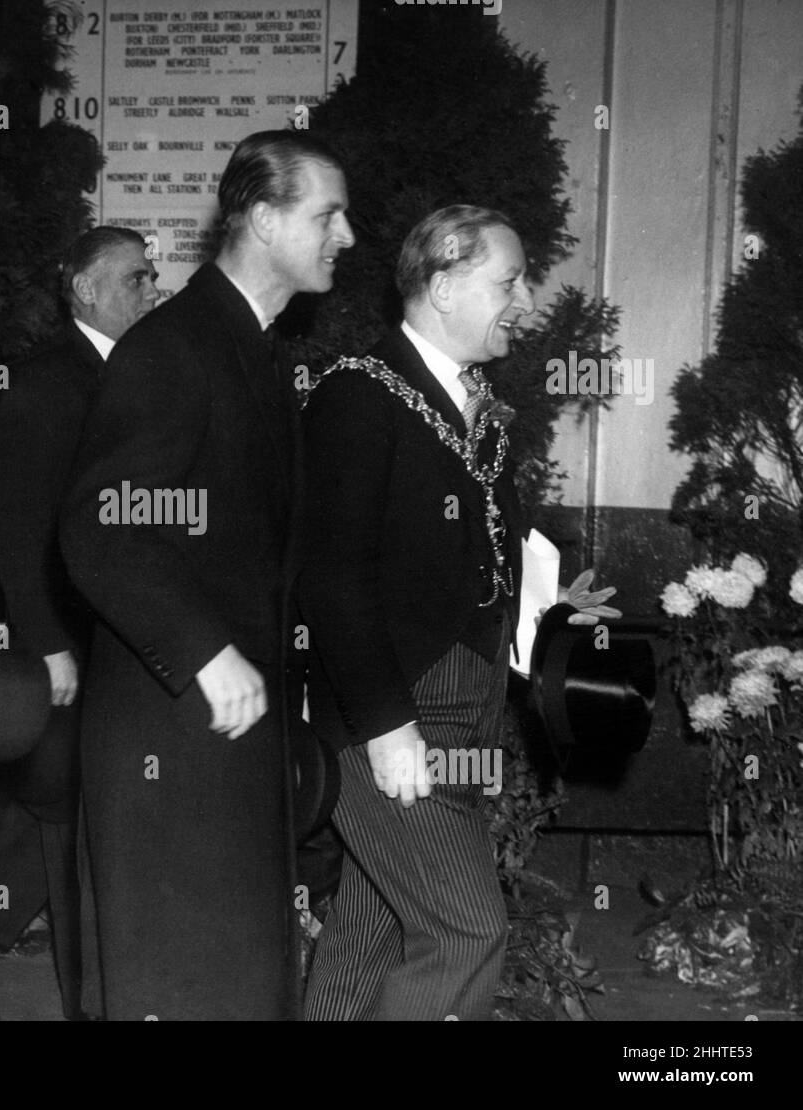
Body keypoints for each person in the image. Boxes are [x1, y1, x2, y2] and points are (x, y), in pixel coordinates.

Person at [59, 130, 355, 1020]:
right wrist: (204, 649)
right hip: (172, 737)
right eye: (328, 214)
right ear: (263, 219)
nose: (348, 235)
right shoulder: (175, 349)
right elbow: (102, 525)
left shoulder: (255, 351)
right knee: (183, 983)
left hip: (228, 740)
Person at [300, 205, 617, 1020]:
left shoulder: (467, 397)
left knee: (371, 928)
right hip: (395, 714)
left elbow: (480, 550)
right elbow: (332, 576)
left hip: (463, 705)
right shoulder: (358, 397)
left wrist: (547, 612)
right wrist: (384, 725)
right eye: (507, 281)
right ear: (443, 286)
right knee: (466, 930)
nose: (523, 300)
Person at [0, 226, 159, 1018]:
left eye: (154, 278)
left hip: (132, 645)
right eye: (135, 279)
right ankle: (88, 1001)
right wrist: (47, 646)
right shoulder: (46, 384)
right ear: (84, 289)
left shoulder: (146, 376)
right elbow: (17, 526)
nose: (151, 292)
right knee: (74, 825)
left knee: (116, 826)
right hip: (73, 647)